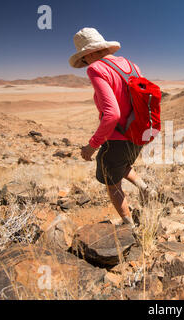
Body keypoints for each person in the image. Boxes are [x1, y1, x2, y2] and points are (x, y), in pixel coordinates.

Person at [69, 27, 157, 228]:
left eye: (84, 60)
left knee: (112, 184)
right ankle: (145, 188)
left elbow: (112, 114)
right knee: (121, 164)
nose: (85, 65)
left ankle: (130, 228)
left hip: (118, 137)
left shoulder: (96, 69)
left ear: (89, 53)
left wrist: (92, 146)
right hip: (139, 133)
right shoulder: (131, 65)